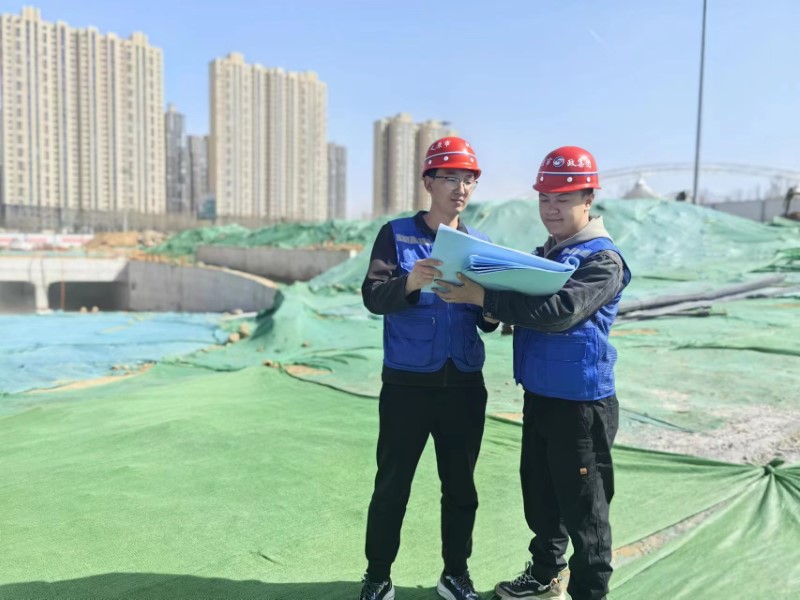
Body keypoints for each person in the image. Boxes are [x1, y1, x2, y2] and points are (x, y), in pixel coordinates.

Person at [434, 146, 631, 600]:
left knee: (585, 512)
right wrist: (486, 306)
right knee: (541, 498)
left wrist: (484, 298)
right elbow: (512, 308)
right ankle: (545, 575)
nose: (552, 208)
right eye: (545, 198)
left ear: (588, 199)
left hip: (581, 404)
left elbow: (562, 312)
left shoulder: (603, 261)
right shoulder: (545, 255)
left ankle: (590, 593)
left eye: (563, 198)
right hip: (540, 395)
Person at [358, 136, 499, 600]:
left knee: (461, 488)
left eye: (468, 179)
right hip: (408, 385)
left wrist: (491, 307)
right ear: (428, 183)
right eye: (450, 178)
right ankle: (378, 576)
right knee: (392, 485)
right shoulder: (396, 234)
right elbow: (373, 297)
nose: (460, 188)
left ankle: (455, 573)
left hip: (464, 384)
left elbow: (487, 321)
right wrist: (410, 282)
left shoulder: (480, 246)